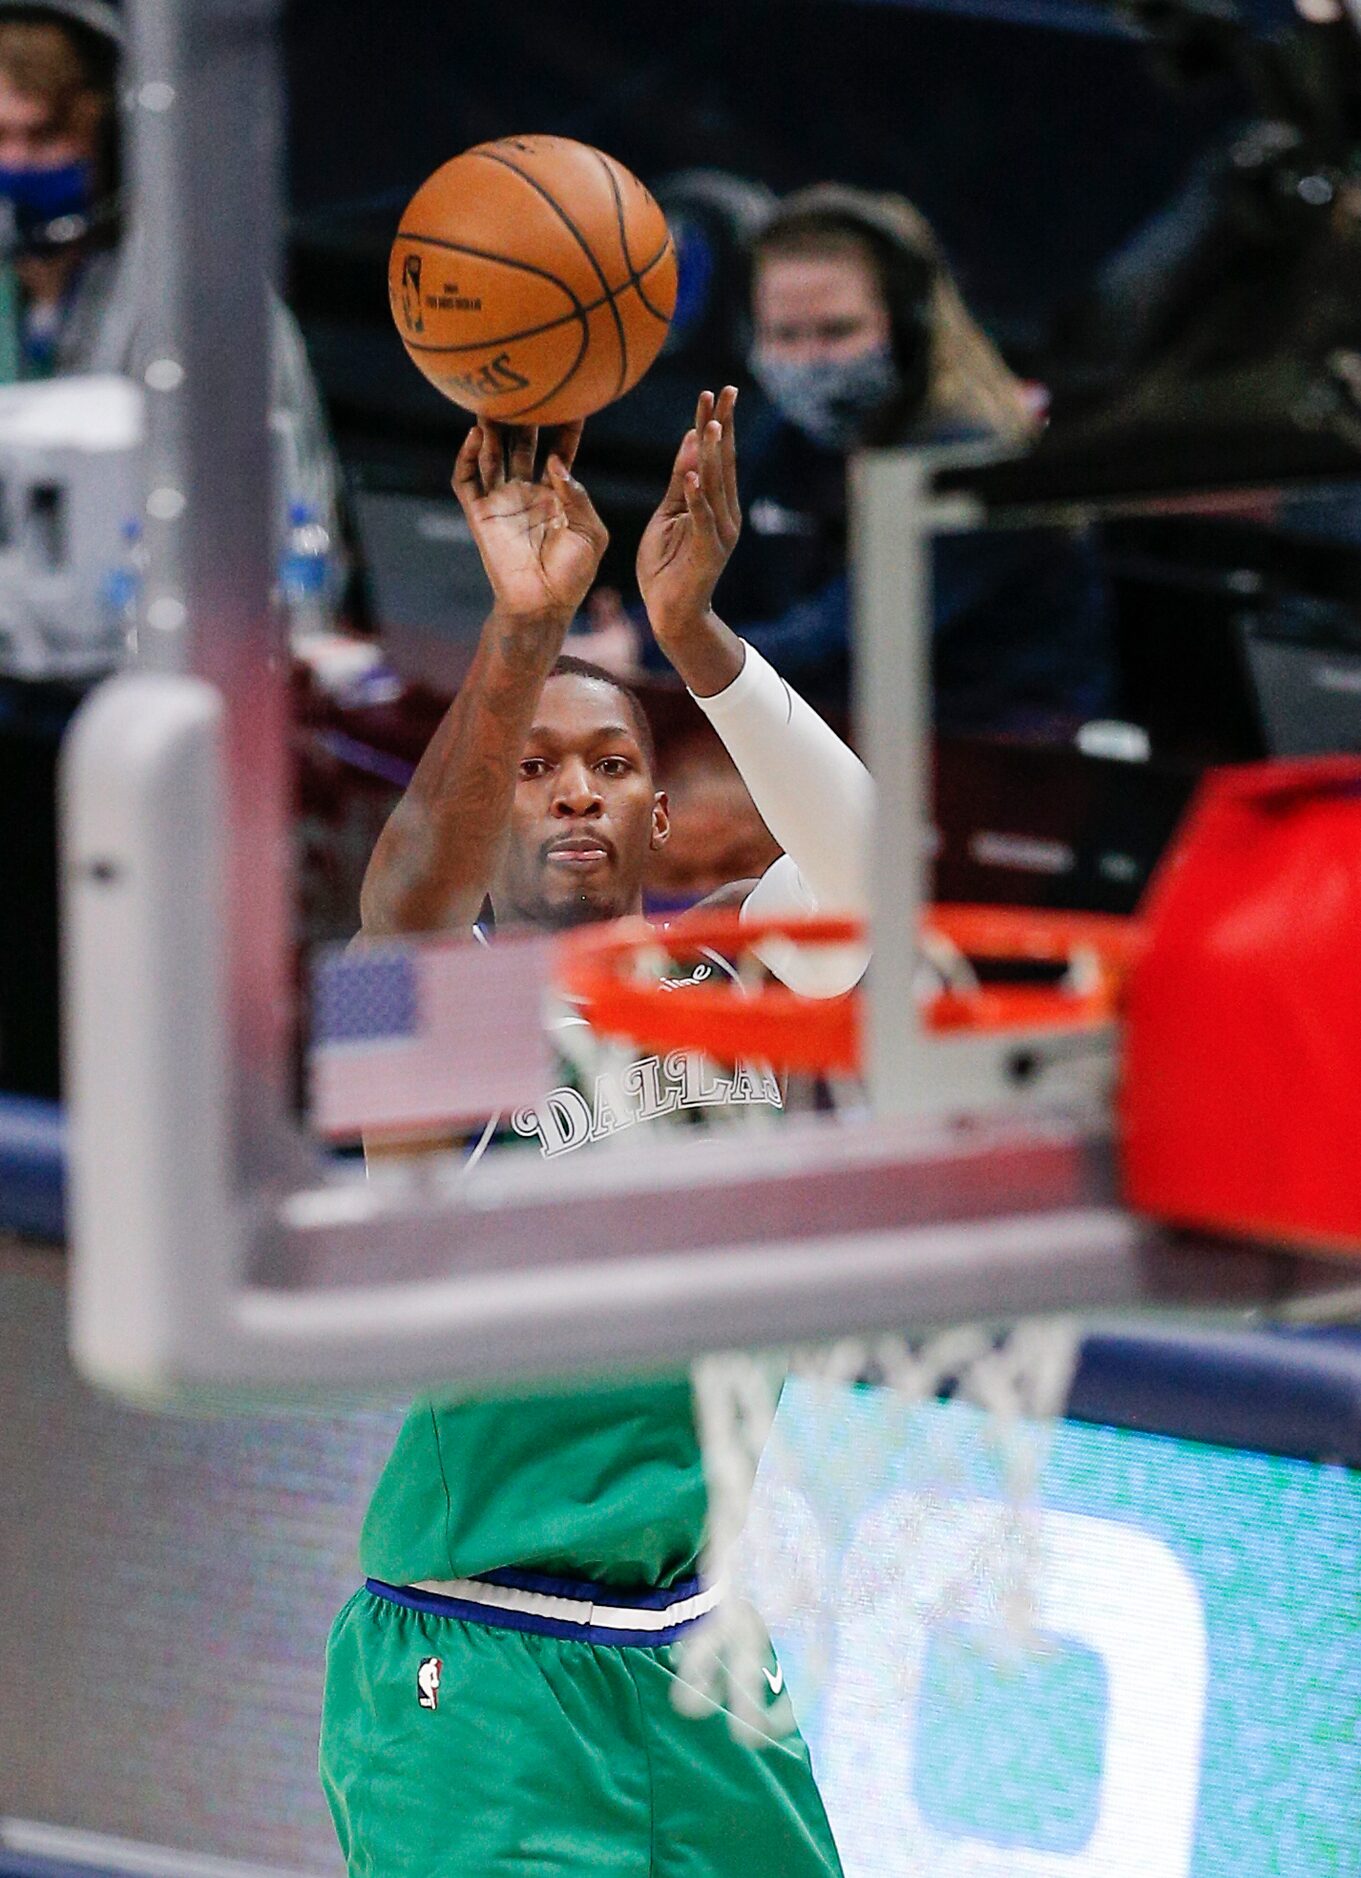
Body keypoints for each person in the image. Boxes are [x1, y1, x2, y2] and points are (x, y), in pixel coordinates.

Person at [319, 387, 870, 1877]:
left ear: (658, 808)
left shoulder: (726, 978)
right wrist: (519, 628)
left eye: (613, 762)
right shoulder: (451, 1012)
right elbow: (400, 913)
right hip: (478, 1655)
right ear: (491, 805)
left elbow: (867, 859)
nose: (573, 786)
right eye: (537, 763)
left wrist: (698, 640)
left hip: (697, 1643)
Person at [587, 183, 1113, 736]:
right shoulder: (789, 441)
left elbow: (841, 641)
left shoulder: (982, 459)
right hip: (834, 737)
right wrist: (625, 635)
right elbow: (718, 589)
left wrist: (650, 651)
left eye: (837, 331)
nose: (809, 361)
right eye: (784, 335)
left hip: (1000, 760)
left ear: (910, 328)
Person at [0, 0, 339, 546]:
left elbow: (291, 511)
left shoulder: (200, 294)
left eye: (42, 137)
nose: (15, 164)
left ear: (110, 141)